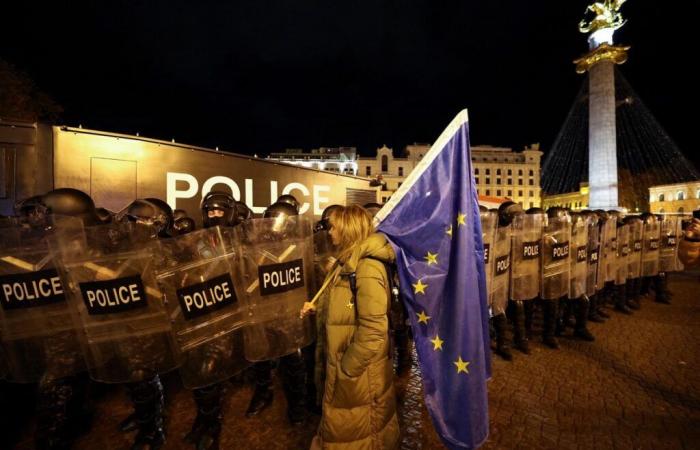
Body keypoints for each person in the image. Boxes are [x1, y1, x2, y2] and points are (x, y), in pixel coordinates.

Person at [301, 205, 399, 449]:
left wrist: (347, 368)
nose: (330, 232)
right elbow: (343, 306)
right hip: (348, 369)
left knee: (361, 433)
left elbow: (374, 328)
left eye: (333, 227)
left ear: (347, 229)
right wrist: (318, 308)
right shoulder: (347, 260)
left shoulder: (366, 267)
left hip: (359, 375)